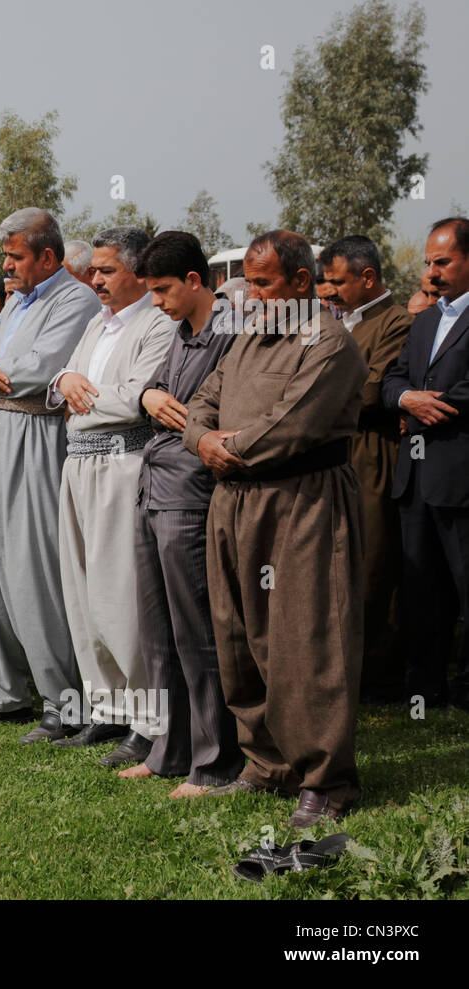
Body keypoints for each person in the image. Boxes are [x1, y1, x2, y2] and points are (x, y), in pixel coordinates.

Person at [183, 229, 367, 829]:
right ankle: (265, 764)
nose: (247, 291)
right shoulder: (244, 338)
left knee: (306, 640)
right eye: (249, 281)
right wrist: (202, 439)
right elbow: (201, 402)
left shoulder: (330, 341)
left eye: (261, 282)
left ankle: (325, 781)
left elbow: (290, 425)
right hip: (233, 501)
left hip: (301, 503)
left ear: (300, 283)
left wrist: (219, 446)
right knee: (238, 636)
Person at [0, 207, 100, 727]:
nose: (7, 268)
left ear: (48, 257)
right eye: (5, 257)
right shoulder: (13, 301)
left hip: (31, 435)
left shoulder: (75, 299)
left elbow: (39, 368)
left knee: (31, 566)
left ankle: (64, 700)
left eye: (15, 257)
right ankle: (4, 691)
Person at [47, 228, 175, 764]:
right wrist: (66, 384)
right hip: (77, 466)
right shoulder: (97, 325)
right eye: (93, 270)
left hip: (123, 464)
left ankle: (149, 723)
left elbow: (136, 400)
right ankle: (107, 707)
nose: (94, 280)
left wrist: (77, 394)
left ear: (137, 271)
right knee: (82, 591)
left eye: (106, 270)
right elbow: (58, 386)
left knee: (124, 595)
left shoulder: (157, 323)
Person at [124, 231, 243, 796]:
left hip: (192, 493)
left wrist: (162, 405)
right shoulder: (181, 332)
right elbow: (159, 393)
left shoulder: (231, 333)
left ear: (196, 281)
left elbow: (205, 414)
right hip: (153, 487)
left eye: (164, 289)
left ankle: (216, 761)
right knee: (158, 630)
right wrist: (148, 395)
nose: (157, 301)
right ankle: (170, 749)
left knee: (198, 633)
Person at [321, 235, 412, 702]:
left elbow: (373, 391)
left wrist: (314, 398)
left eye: (337, 281)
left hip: (374, 457)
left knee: (375, 565)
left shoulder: (397, 322)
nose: (329, 290)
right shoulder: (342, 323)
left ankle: (380, 679)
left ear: (368, 277)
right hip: (337, 458)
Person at [383, 217, 469, 713]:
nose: (432, 273)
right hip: (414, 480)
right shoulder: (425, 321)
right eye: (428, 263)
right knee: (421, 589)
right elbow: (392, 382)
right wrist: (409, 398)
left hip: (459, 476)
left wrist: (438, 404)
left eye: (443, 262)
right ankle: (425, 687)